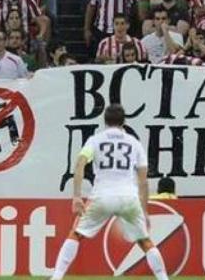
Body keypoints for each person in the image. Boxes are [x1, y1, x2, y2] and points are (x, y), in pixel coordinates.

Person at [50, 104, 169, 280]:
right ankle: (163, 279)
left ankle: (56, 277)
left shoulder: (95, 140)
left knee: (75, 233)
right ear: (124, 121)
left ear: (105, 120)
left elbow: (80, 164)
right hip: (128, 197)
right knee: (145, 241)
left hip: (102, 196)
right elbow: (143, 181)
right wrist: (144, 210)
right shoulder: (134, 143)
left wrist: (76, 196)